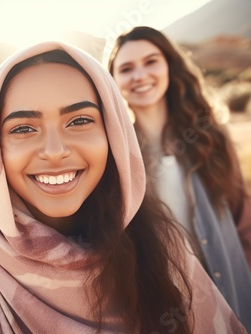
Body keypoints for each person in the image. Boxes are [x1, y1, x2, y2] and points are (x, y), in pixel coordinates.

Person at [0, 42, 246, 333]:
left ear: (113, 134)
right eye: (24, 128)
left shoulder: (165, 247)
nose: (55, 150)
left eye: (79, 121)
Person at [108, 26, 251, 330]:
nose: (139, 75)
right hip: (166, 308)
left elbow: (244, 224)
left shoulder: (211, 139)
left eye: (150, 62)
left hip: (232, 295)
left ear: (169, 65)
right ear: (113, 80)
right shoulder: (115, 158)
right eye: (126, 68)